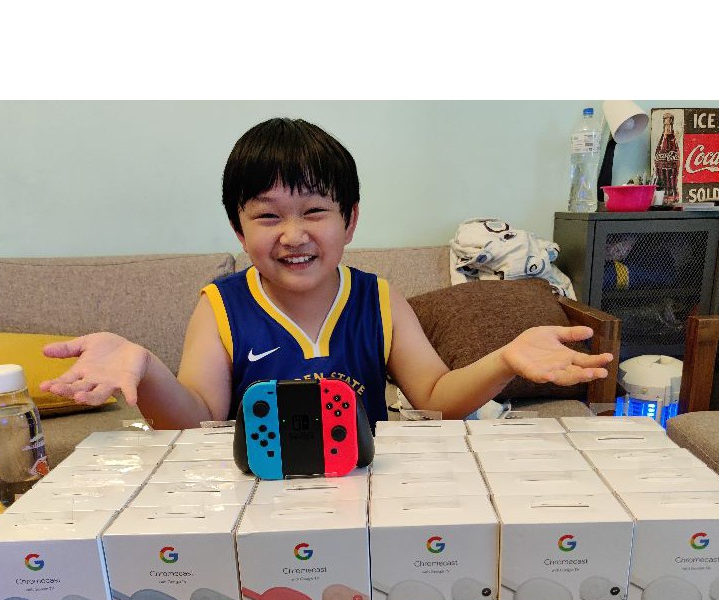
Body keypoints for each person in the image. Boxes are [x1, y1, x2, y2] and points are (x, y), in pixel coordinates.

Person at [40, 118, 612, 429]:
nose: (293, 235)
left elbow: (437, 397)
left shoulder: (379, 298)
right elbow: (198, 422)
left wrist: (505, 358)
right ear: (239, 230)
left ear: (349, 221)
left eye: (314, 211)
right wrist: (146, 370)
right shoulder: (219, 306)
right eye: (268, 216)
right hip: (255, 496)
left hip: (363, 490)